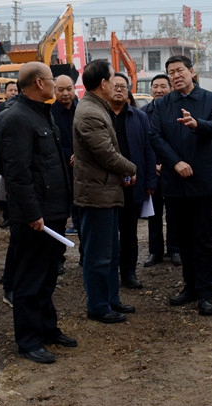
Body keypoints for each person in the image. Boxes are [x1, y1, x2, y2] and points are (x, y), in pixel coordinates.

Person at [0, 62, 76, 365]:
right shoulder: (16, 118)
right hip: (35, 216)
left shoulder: (42, 113)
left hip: (52, 210)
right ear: (39, 83)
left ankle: (47, 328)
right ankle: (28, 340)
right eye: (52, 80)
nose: (55, 84)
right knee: (30, 278)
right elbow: (16, 172)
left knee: (48, 274)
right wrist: (31, 212)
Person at [150, 55, 212, 316]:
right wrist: (175, 162)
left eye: (180, 70)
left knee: (202, 239)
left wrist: (198, 124)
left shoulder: (210, 99)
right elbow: (155, 137)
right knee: (182, 238)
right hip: (174, 180)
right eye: (171, 72)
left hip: (202, 180)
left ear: (192, 72)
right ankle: (189, 287)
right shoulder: (163, 104)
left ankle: (206, 293)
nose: (176, 76)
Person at [73, 60, 138, 324]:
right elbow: (106, 154)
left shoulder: (96, 107)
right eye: (112, 79)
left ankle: (111, 299)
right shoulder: (90, 112)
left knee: (109, 252)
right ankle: (98, 306)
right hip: (96, 195)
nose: (115, 84)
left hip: (105, 192)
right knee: (98, 256)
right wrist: (132, 168)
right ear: (103, 83)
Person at [108, 72, 157, 289]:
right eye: (115, 85)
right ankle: (109, 274)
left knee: (129, 233)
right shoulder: (100, 116)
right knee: (109, 233)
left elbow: (148, 150)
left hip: (133, 183)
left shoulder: (139, 117)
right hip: (107, 185)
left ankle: (129, 273)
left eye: (123, 86)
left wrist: (150, 182)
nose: (119, 89)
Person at [143, 74, 180, 267]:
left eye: (163, 86)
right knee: (153, 214)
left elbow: (180, 142)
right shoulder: (142, 114)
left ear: (171, 89)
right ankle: (155, 251)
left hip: (173, 170)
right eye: (155, 86)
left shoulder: (178, 112)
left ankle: (175, 249)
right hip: (152, 172)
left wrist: (168, 163)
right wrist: (153, 166)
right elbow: (142, 144)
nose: (159, 90)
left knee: (174, 213)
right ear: (151, 90)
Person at [52, 75, 78, 238]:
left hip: (82, 166)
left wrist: (80, 154)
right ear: (54, 91)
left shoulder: (82, 110)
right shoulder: (49, 113)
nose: (65, 93)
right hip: (60, 167)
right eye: (60, 90)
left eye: (69, 89)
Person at [0, 81, 19, 229]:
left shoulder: (22, 109)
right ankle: (7, 216)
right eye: (10, 90)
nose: (13, 92)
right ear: (5, 93)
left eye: (15, 90)